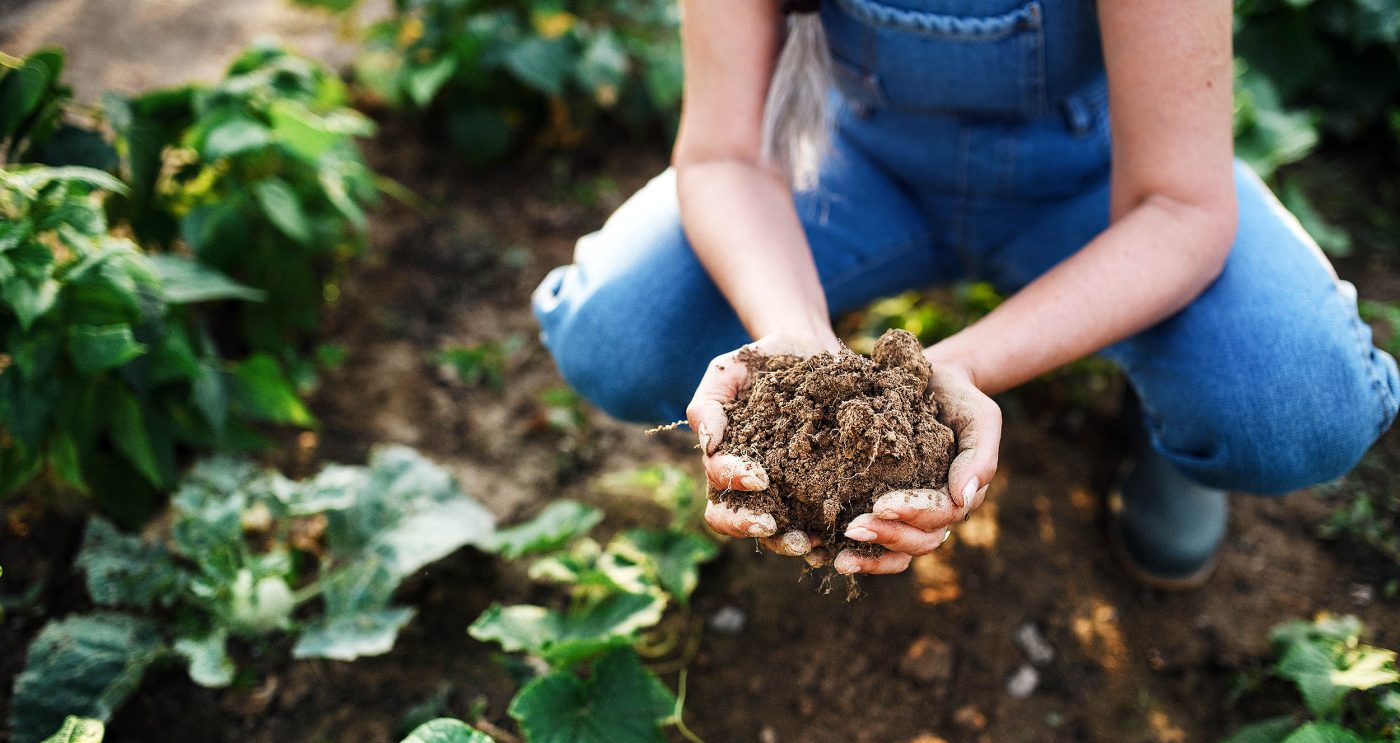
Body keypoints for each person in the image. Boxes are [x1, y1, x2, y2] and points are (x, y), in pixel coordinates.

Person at [532, 0, 1400, 588]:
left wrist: (949, 373)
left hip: (1104, 184)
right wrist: (795, 344)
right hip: (854, 165)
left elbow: (1178, 204)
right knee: (621, 336)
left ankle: (1168, 415)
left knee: (1295, 405)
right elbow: (725, 154)